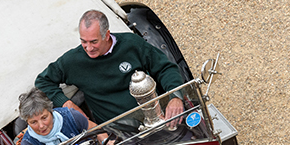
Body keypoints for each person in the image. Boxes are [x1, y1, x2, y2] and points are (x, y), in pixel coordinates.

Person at [35, 9, 186, 124]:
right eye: (83, 41)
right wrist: (66, 103)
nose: (88, 48)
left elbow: (165, 68)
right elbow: (43, 81)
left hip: (158, 116)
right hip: (119, 133)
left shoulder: (131, 43)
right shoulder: (72, 60)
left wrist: (175, 97)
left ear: (106, 35)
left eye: (94, 41)